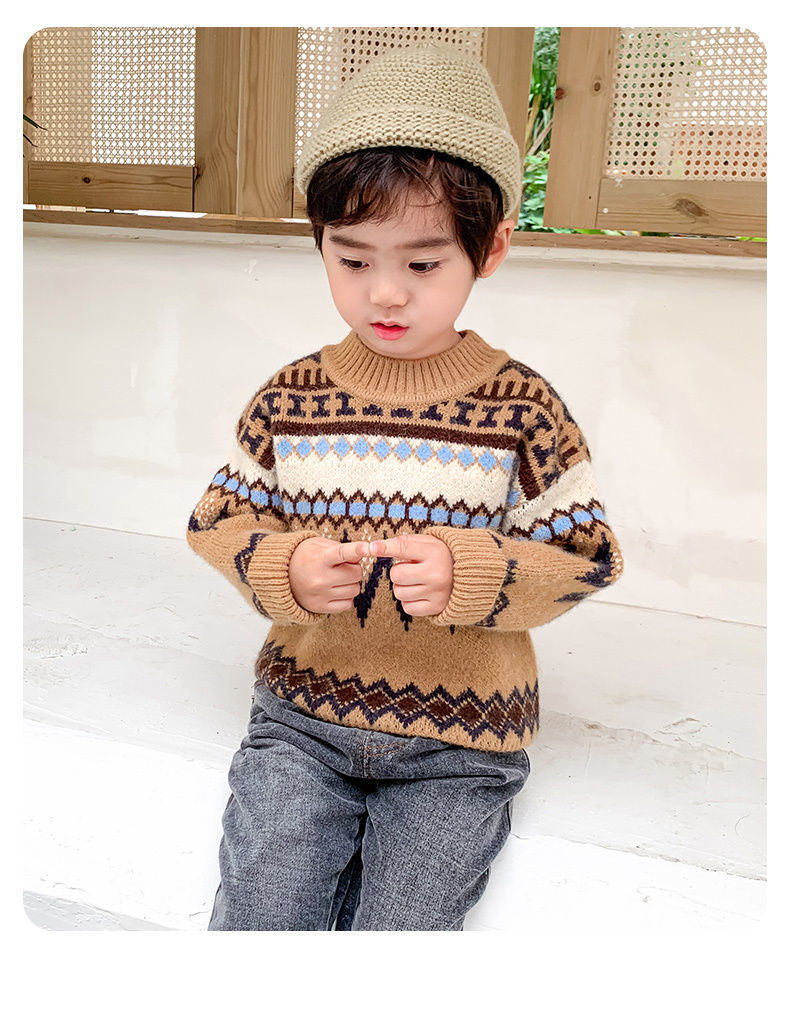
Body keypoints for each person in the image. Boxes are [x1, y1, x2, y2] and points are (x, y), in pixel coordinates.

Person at [186, 41, 624, 931]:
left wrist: (477, 573)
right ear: (320, 244)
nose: (384, 293)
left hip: (461, 742)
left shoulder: (522, 408)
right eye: (352, 261)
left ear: (491, 248)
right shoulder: (290, 398)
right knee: (260, 913)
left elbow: (587, 556)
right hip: (302, 722)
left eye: (423, 265)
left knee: (403, 932)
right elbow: (218, 519)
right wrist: (282, 566)